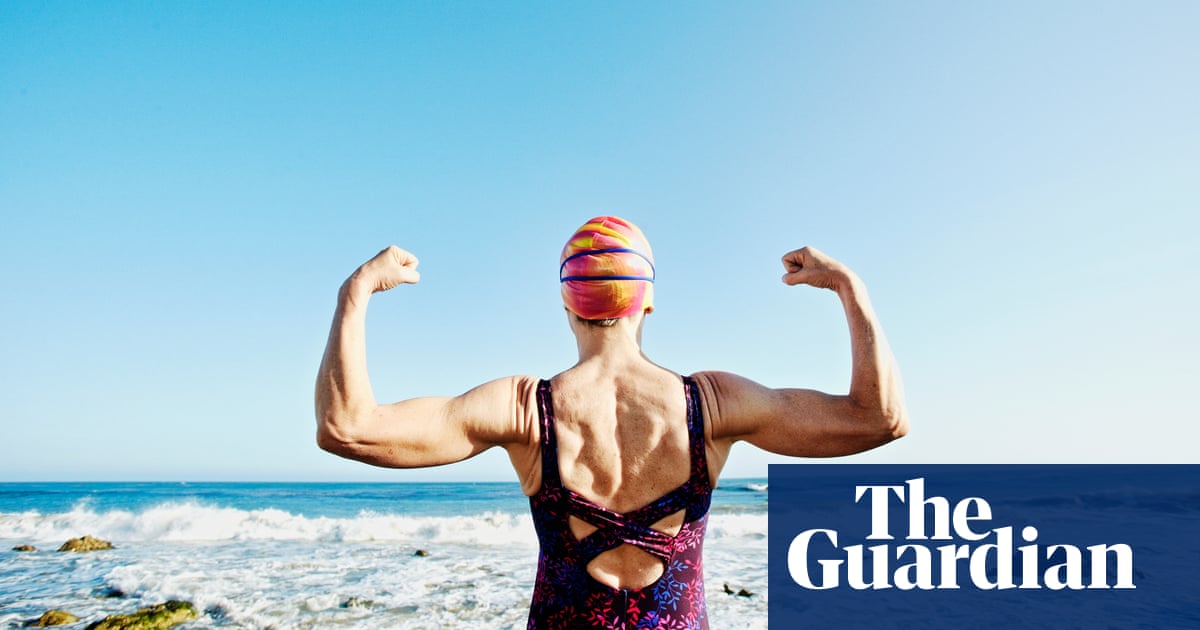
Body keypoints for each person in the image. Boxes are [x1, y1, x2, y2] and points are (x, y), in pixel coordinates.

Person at [315, 216, 908, 629]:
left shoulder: (523, 409)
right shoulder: (712, 403)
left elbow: (346, 427)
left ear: (567, 302)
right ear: (647, 300)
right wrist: (848, 287)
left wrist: (355, 293)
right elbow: (879, 419)